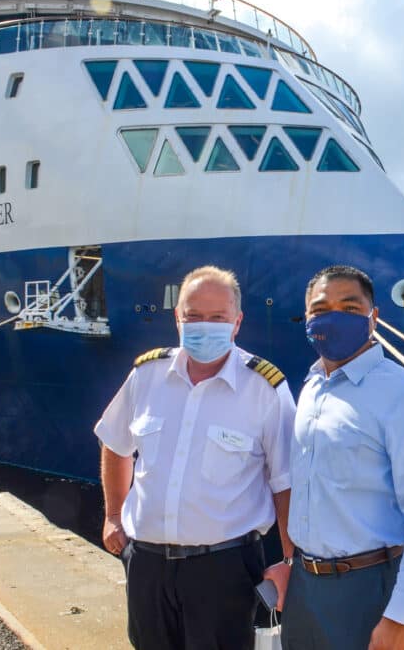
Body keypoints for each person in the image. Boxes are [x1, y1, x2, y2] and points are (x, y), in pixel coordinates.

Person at [95, 265, 296, 650]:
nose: (205, 326)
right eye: (194, 316)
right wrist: (112, 515)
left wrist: (290, 564)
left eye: (218, 318)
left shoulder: (264, 388)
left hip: (224, 568)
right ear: (177, 318)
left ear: (236, 323)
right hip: (147, 565)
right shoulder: (147, 374)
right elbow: (115, 443)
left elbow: (285, 483)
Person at [282, 265, 404, 650]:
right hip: (304, 585)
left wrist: (402, 614)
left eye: (349, 307)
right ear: (307, 318)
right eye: (320, 307)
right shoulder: (313, 386)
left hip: (368, 585)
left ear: (373, 317)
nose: (333, 316)